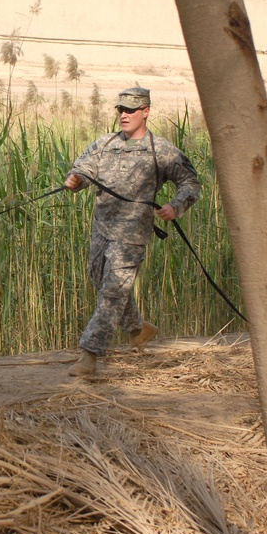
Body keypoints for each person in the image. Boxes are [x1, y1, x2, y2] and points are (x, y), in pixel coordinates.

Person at [63, 87, 200, 377]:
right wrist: (76, 180)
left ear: (146, 112)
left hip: (133, 234)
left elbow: (189, 181)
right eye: (121, 110)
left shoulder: (161, 151)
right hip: (102, 228)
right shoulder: (106, 143)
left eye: (131, 110)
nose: (124, 115)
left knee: (113, 291)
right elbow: (84, 168)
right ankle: (138, 329)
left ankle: (89, 354)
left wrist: (175, 206)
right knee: (100, 279)